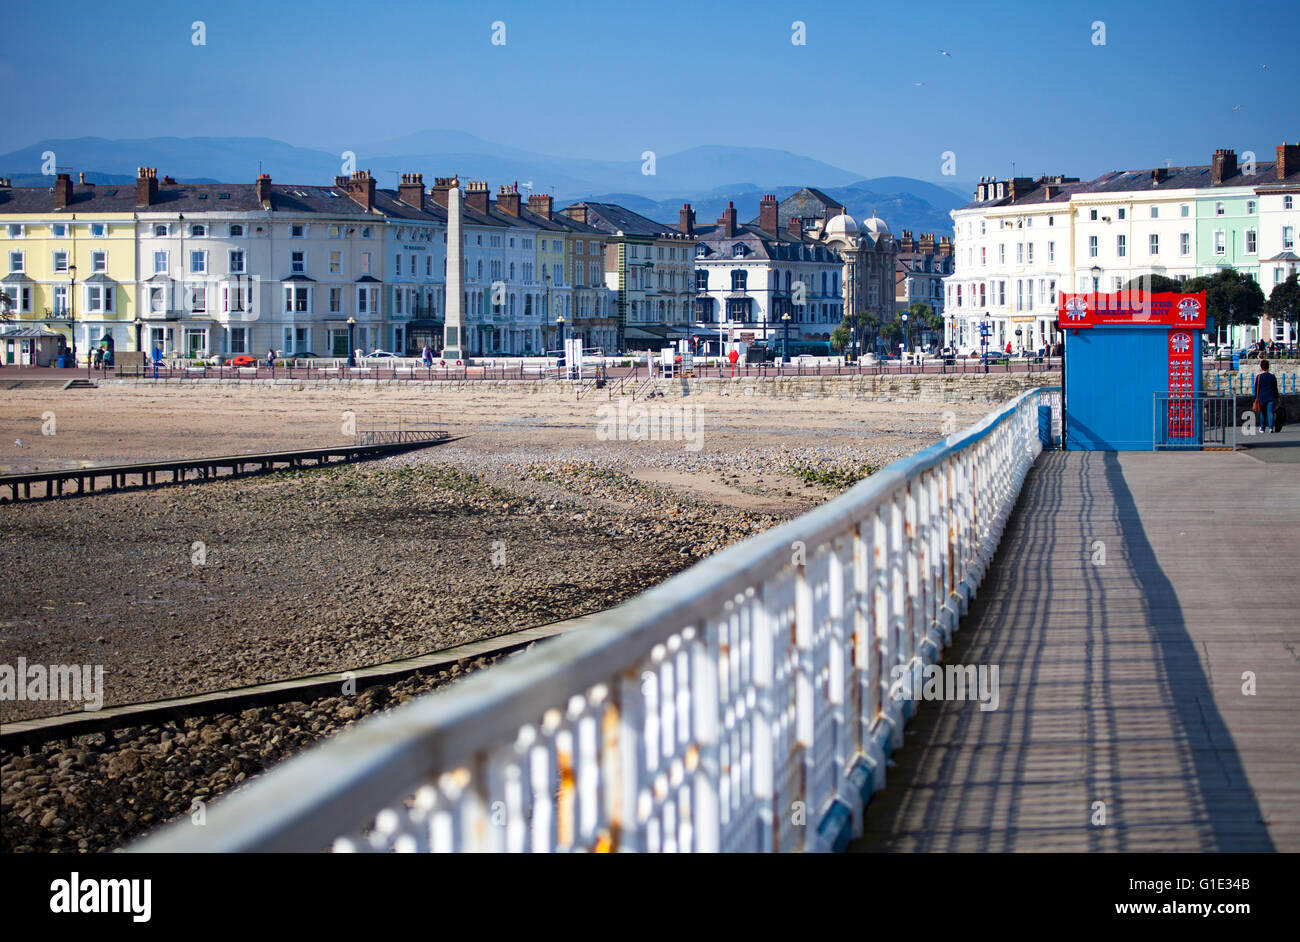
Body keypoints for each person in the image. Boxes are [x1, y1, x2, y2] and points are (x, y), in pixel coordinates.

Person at [1254, 360, 1280, 434]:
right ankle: (1271, 428)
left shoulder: (1259, 377)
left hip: (1261, 397)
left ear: (1261, 367)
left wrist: (1256, 397)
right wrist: (1277, 397)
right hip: (1271, 396)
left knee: (1262, 413)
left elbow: (1256, 388)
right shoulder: (1272, 376)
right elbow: (1275, 388)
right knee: (1270, 412)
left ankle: (1262, 428)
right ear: (1268, 367)